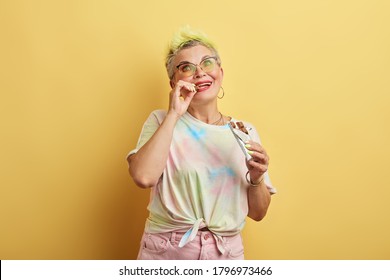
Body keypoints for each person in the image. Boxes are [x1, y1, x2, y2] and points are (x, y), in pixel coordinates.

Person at [127, 26, 276, 260]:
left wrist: (257, 179)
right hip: (167, 252)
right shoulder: (161, 121)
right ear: (173, 82)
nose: (199, 73)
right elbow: (143, 177)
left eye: (207, 63)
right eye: (186, 67)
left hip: (225, 255)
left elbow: (258, 213)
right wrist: (174, 113)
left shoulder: (244, 131)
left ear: (220, 72)